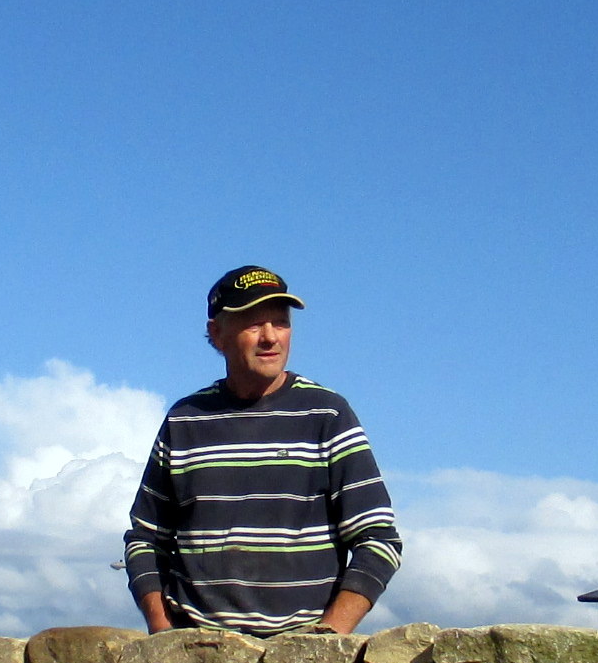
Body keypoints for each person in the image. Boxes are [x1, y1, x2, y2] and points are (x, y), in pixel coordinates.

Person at [123, 265, 403, 636]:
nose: (270, 337)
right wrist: (163, 630)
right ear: (217, 334)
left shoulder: (327, 415)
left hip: (303, 654)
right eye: (254, 324)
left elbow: (378, 540)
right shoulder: (185, 420)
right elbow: (145, 540)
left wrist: (329, 636)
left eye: (281, 323)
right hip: (196, 654)